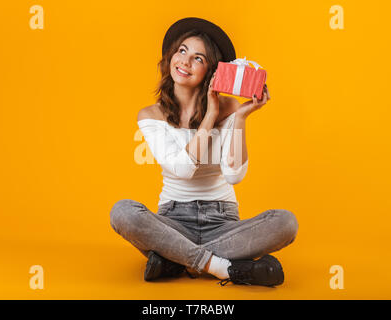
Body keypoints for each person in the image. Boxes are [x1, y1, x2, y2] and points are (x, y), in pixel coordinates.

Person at [110, 17, 298, 286]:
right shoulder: (151, 115)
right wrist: (210, 116)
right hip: (172, 220)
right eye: (182, 51)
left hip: (223, 221)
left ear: (211, 72)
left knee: (285, 223)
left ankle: (175, 258)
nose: (185, 62)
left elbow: (234, 175)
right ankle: (224, 267)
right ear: (171, 57)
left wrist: (241, 117)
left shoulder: (231, 109)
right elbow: (183, 169)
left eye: (198, 58)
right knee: (123, 212)